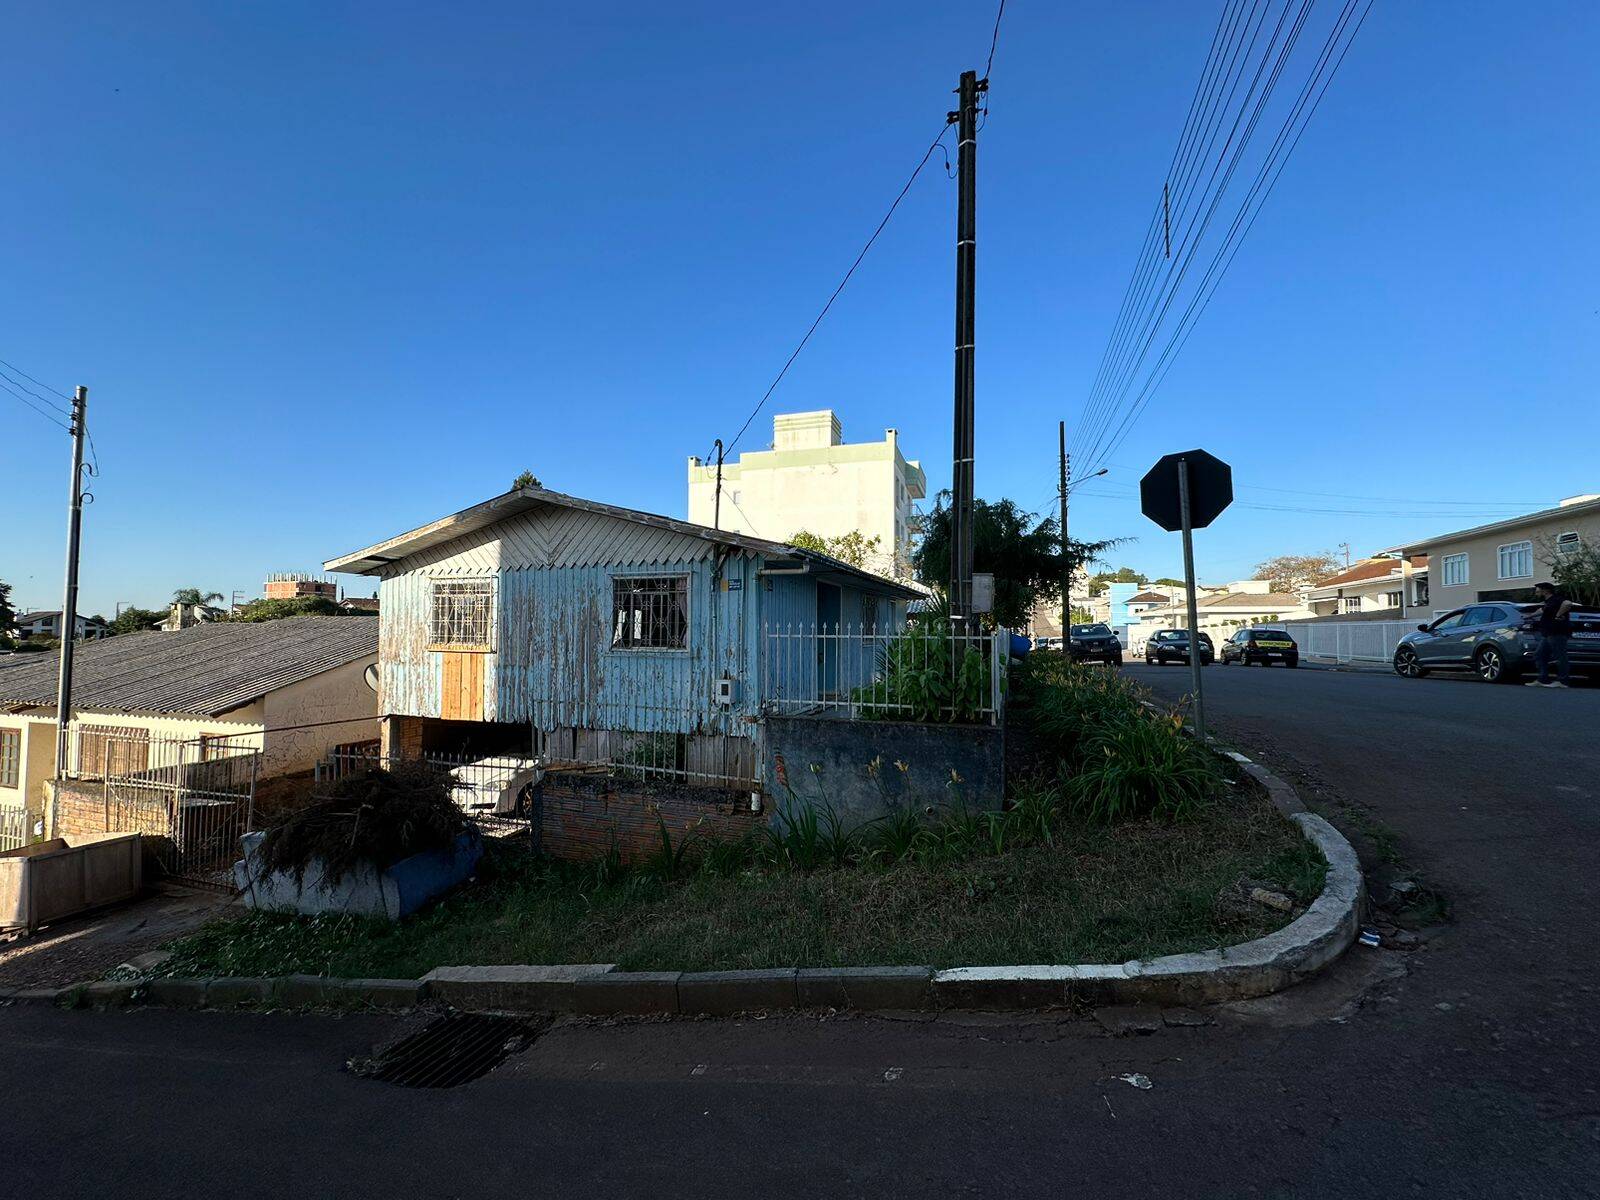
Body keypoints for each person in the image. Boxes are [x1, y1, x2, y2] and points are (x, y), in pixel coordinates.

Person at [1525, 581, 1573, 688]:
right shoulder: (1549, 602)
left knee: (1560, 656)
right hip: (1548, 634)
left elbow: (1568, 603)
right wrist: (1528, 616)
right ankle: (1543, 679)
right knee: (1539, 654)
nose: (1536, 591)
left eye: (1537, 589)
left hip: (1557, 632)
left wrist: (1558, 615)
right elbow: (1541, 610)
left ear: (1545, 590)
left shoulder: (1557, 599)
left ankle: (1563, 681)